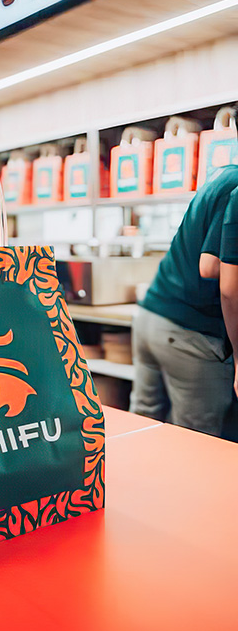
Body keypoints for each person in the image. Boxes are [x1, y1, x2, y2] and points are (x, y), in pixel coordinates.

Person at [130, 164, 238, 437]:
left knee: (142, 430)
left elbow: (209, 262)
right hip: (191, 332)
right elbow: (221, 278)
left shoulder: (223, 174)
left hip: (151, 317)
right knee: (198, 443)